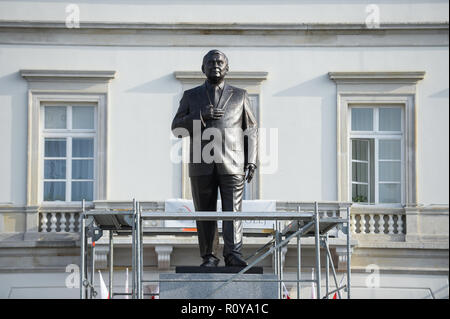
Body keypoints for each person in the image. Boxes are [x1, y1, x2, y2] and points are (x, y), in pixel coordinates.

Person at [171, 49, 258, 267]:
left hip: (233, 161)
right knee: (205, 213)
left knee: (233, 211)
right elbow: (177, 128)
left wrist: (252, 160)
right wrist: (200, 116)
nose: (215, 65)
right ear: (203, 68)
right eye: (210, 62)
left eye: (220, 62)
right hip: (201, 163)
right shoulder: (191, 96)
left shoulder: (240, 95)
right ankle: (209, 256)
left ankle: (233, 253)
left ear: (227, 68)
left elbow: (251, 130)